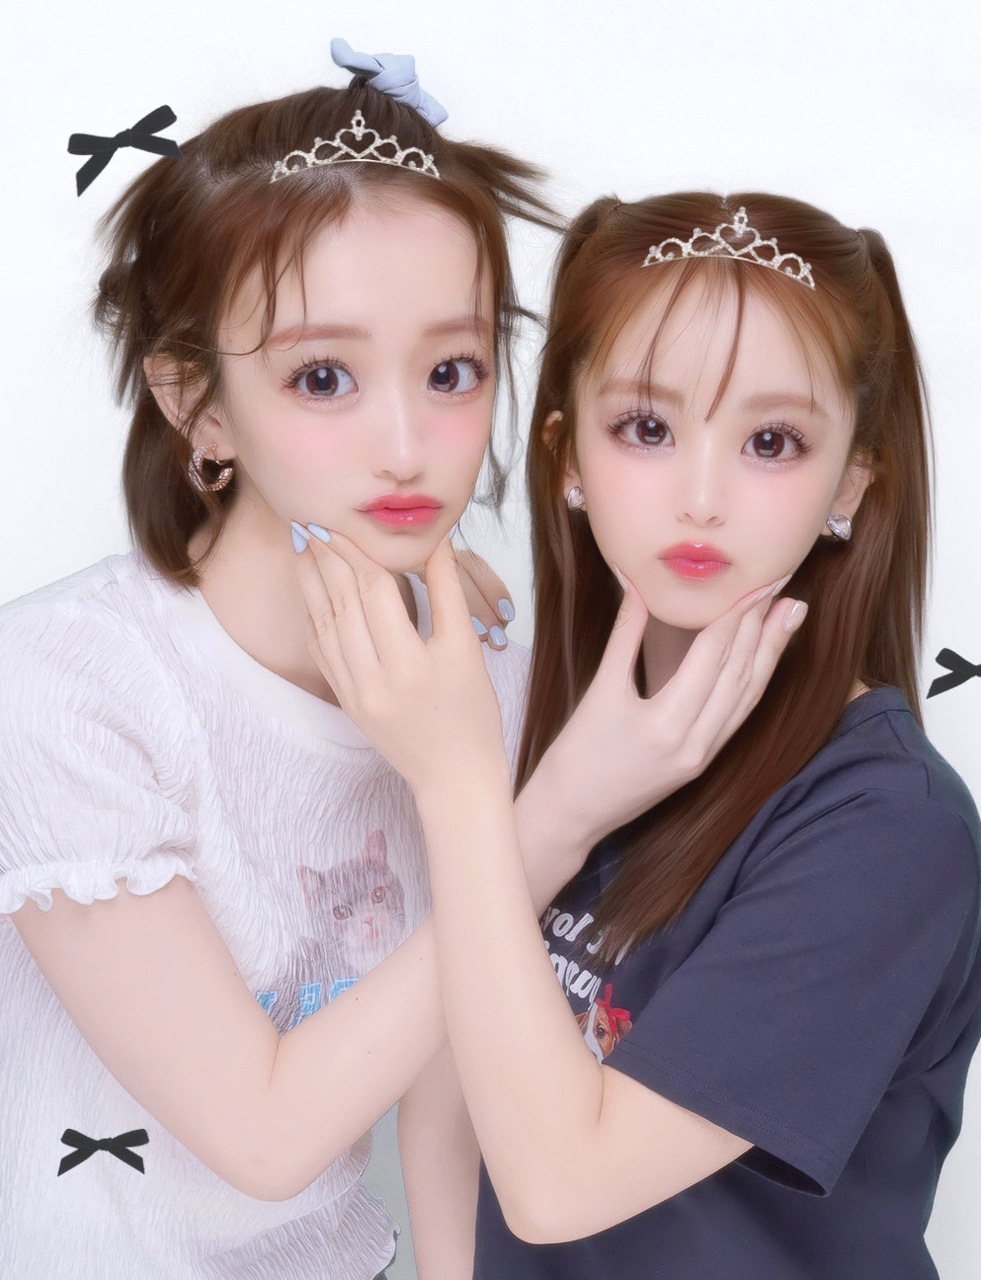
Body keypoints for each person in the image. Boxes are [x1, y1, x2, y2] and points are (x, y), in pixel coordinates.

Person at [299, 191, 981, 1279]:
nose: (700, 498)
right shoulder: (551, 734)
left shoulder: (887, 826)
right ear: (566, 457)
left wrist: (457, 781)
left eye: (771, 441)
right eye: (647, 429)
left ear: (852, 480)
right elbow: (445, 1095)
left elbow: (555, 1185)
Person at [0, 43, 562, 1279]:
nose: (407, 444)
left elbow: (461, 1096)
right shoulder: (68, 686)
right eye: (322, 376)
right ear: (196, 403)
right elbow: (262, 1134)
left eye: (451, 370)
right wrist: (545, 816)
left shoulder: (486, 685)